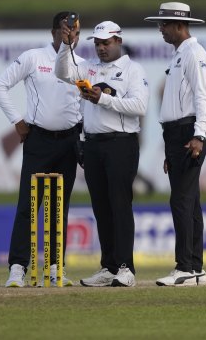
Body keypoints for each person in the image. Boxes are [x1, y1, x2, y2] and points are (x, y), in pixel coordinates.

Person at [0, 11, 84, 287]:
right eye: (67, 31)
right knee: (29, 206)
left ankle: (56, 267)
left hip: (69, 141)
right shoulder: (34, 57)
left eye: (76, 32)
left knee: (60, 207)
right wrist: (17, 121)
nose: (72, 37)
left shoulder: (82, 64)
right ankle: (18, 267)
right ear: (54, 31)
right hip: (39, 140)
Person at [55, 20, 149, 287]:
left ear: (118, 41)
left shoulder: (133, 69)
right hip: (94, 144)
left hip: (121, 143)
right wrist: (66, 45)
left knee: (120, 204)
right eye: (97, 43)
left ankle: (125, 268)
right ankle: (108, 266)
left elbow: (139, 106)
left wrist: (103, 99)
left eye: (106, 43)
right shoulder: (88, 66)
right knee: (101, 207)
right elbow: (62, 73)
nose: (101, 48)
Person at [144, 2, 206, 287]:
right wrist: (170, 146)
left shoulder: (194, 53)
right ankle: (196, 268)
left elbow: (202, 98)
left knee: (181, 201)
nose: (160, 29)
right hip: (176, 135)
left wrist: (198, 135)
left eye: (164, 24)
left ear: (179, 25)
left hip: (189, 132)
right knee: (190, 201)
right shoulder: (179, 55)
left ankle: (185, 267)